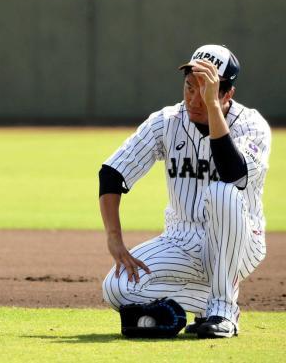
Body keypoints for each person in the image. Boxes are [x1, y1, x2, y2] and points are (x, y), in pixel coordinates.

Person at [100, 44, 271, 339]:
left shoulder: (251, 125)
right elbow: (112, 174)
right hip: (181, 240)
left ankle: (224, 312)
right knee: (117, 288)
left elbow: (233, 173)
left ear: (227, 94)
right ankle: (210, 301)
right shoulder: (167, 121)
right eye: (189, 87)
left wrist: (213, 107)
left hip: (241, 241)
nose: (193, 98)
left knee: (222, 193)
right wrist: (114, 238)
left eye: (204, 91)